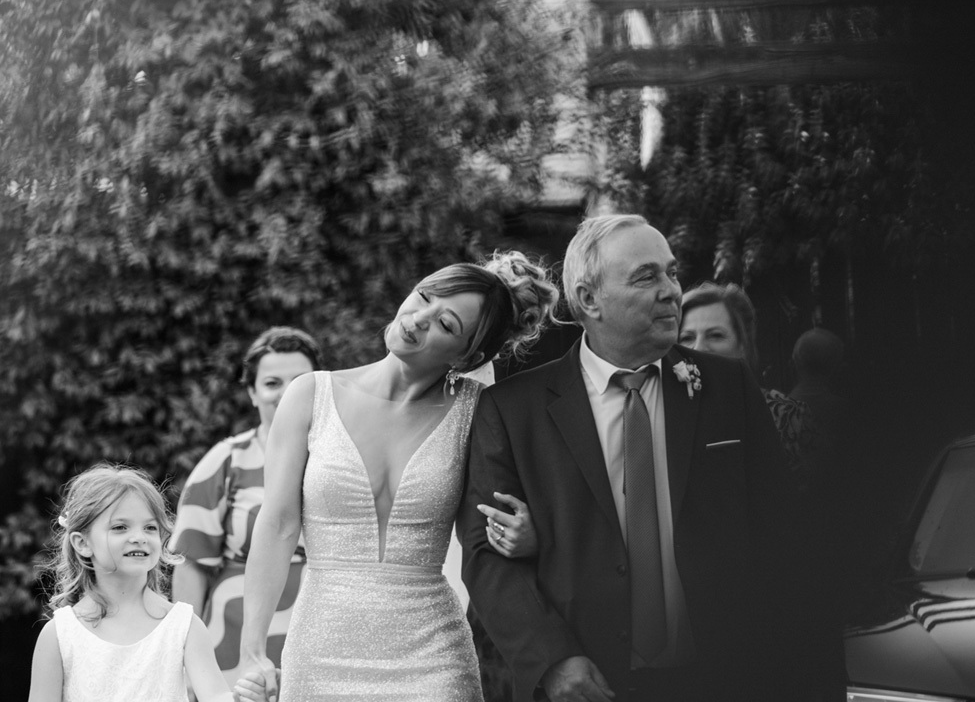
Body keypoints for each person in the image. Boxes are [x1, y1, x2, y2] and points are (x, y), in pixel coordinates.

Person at [460, 215, 807, 702]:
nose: (671, 291)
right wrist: (551, 659)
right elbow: (487, 557)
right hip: (586, 687)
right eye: (646, 277)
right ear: (589, 299)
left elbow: (784, 536)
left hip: (725, 679)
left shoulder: (729, 388)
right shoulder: (513, 410)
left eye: (672, 272)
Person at [236, 251, 559, 702]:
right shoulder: (310, 394)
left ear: (468, 355)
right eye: (424, 296)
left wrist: (532, 538)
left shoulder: (479, 410)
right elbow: (277, 526)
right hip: (319, 652)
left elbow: (492, 529)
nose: (418, 318)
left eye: (445, 324)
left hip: (433, 661)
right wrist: (251, 650)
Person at [27, 463, 270, 702]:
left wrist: (244, 699)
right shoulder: (58, 635)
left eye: (150, 527)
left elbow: (215, 696)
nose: (139, 537)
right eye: (120, 527)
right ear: (82, 543)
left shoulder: (184, 626)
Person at [170, 326, 322, 688]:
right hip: (232, 645)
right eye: (272, 383)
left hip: (321, 637)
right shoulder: (226, 461)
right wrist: (186, 657)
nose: (286, 393)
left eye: (299, 381)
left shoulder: (342, 462)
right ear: (253, 393)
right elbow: (191, 563)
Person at [677, 281, 823, 489]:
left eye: (716, 335)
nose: (698, 348)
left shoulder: (789, 418)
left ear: (743, 345)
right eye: (687, 337)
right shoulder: (659, 415)